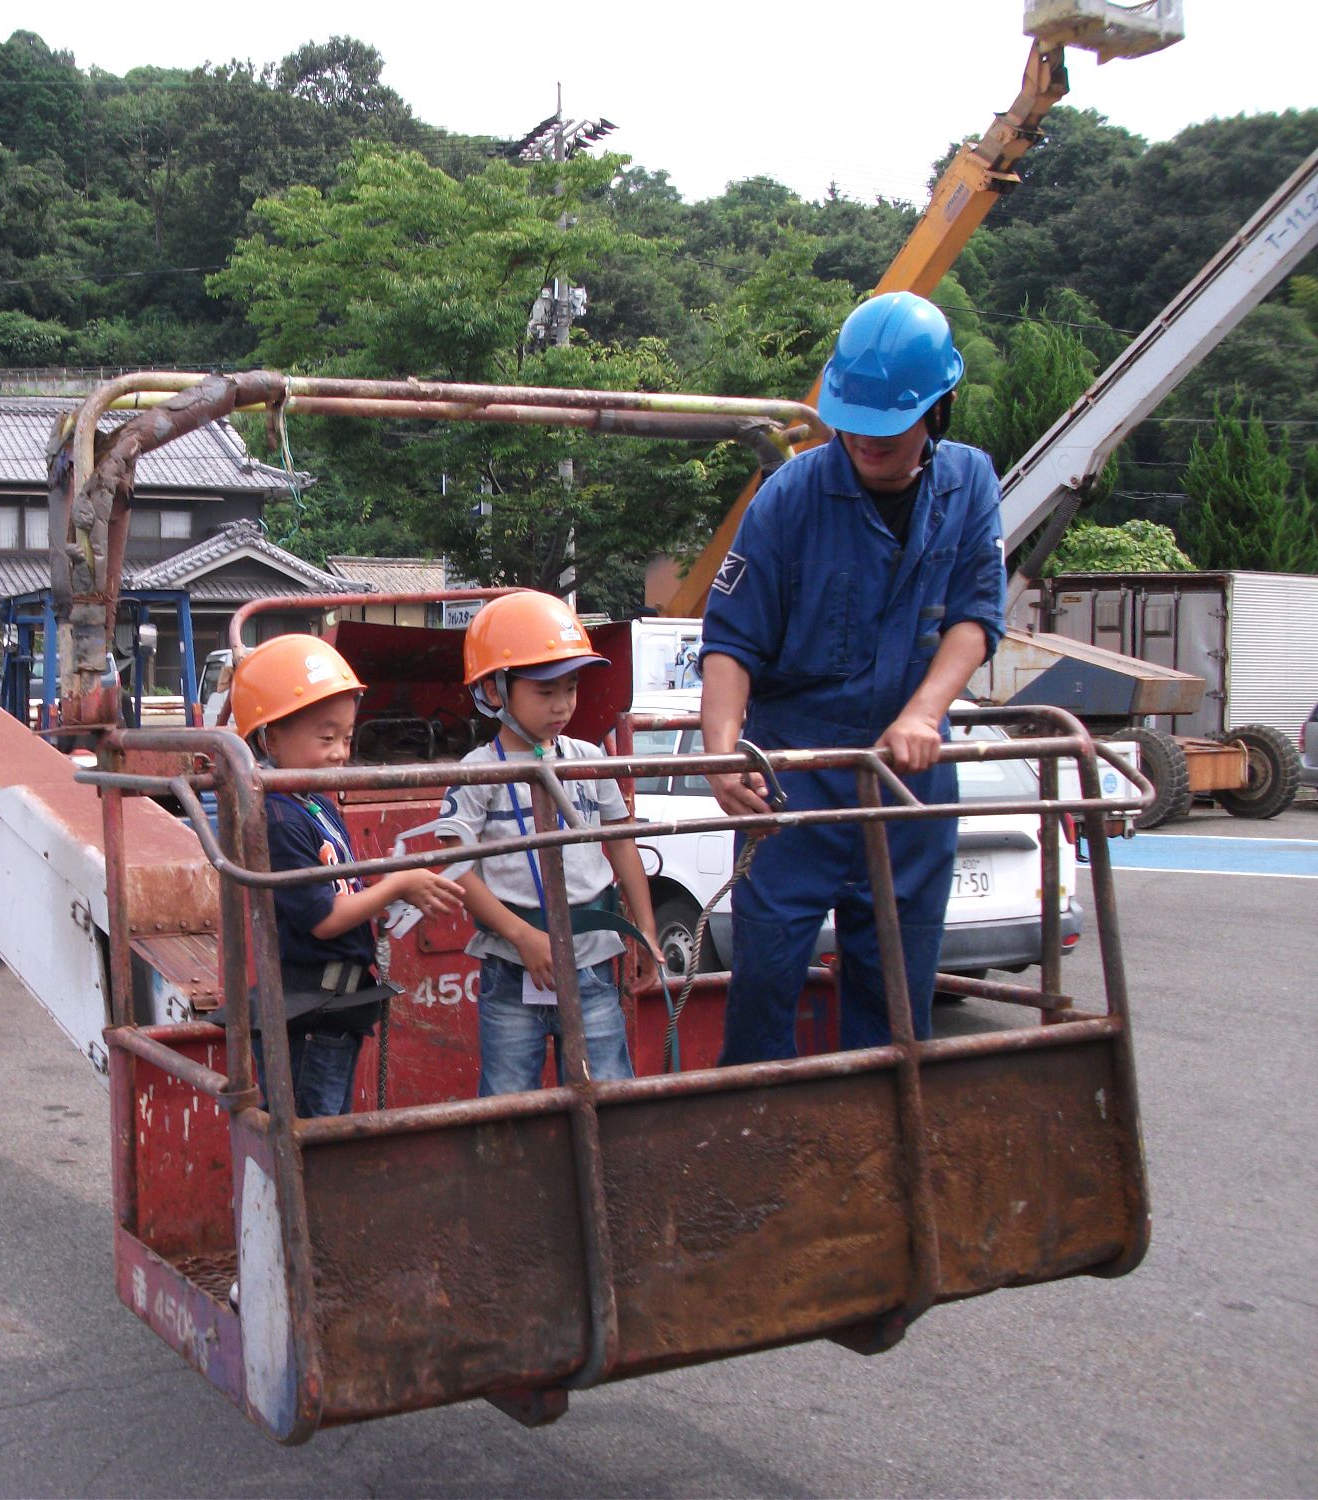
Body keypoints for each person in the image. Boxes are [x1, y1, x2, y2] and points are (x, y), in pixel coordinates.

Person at [700, 291, 1006, 1064]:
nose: (865, 442)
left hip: (908, 779)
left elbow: (975, 618)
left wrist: (923, 715)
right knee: (766, 979)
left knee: (896, 994)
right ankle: (755, 1143)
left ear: (938, 409)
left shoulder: (970, 483)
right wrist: (721, 751)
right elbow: (732, 640)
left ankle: (889, 1158)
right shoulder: (790, 497)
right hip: (795, 773)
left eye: (887, 426)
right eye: (852, 423)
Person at [229, 633, 464, 1117]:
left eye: (348, 738)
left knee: (323, 1124)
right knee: (310, 1131)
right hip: (308, 1009)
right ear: (270, 737)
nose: (341, 753)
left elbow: (344, 888)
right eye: (326, 737)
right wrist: (397, 885)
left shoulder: (314, 801)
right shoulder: (277, 819)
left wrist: (383, 896)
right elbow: (325, 919)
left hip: (335, 1003)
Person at [435, 591, 657, 1095]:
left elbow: (621, 844)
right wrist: (521, 936)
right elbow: (455, 864)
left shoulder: (588, 757)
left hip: (593, 960)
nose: (562, 706)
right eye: (545, 691)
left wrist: (644, 929)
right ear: (495, 690)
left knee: (608, 1091)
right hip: (514, 968)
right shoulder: (477, 772)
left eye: (571, 688)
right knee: (508, 1099)